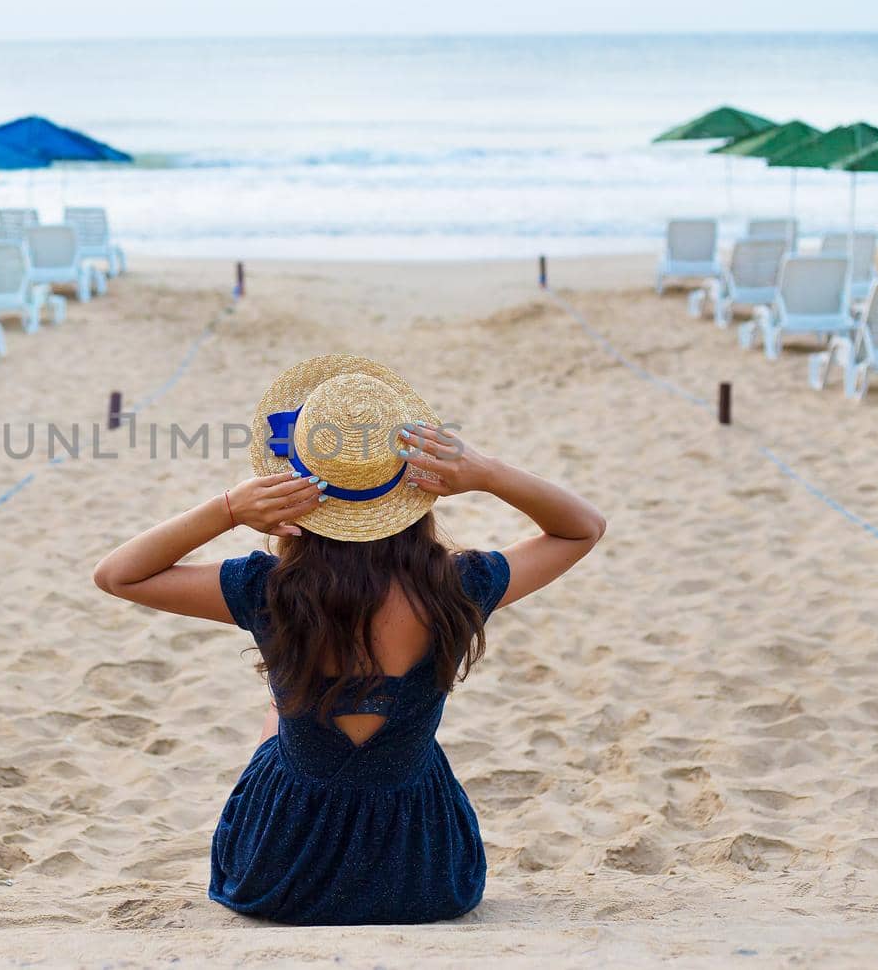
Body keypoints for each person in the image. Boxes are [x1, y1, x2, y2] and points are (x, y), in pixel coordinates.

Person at [93, 354, 605, 926]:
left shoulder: (270, 591)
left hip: (282, 873)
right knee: (375, 723)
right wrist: (485, 472)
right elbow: (582, 527)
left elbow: (118, 574)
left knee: (285, 704)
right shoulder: (458, 586)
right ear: (413, 495)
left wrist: (230, 508)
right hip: (424, 874)